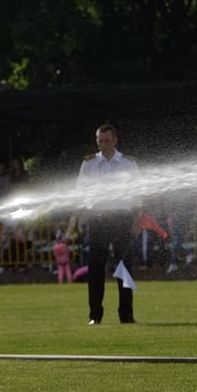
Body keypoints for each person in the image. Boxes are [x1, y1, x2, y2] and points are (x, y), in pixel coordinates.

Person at [76, 124, 141, 325]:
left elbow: (138, 194)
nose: (103, 145)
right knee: (95, 270)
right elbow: (80, 191)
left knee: (125, 269)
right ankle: (95, 316)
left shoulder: (128, 164)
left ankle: (126, 316)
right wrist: (83, 213)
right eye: (99, 141)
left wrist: (137, 221)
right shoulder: (89, 164)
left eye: (106, 140)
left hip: (122, 219)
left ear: (115, 140)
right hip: (98, 219)